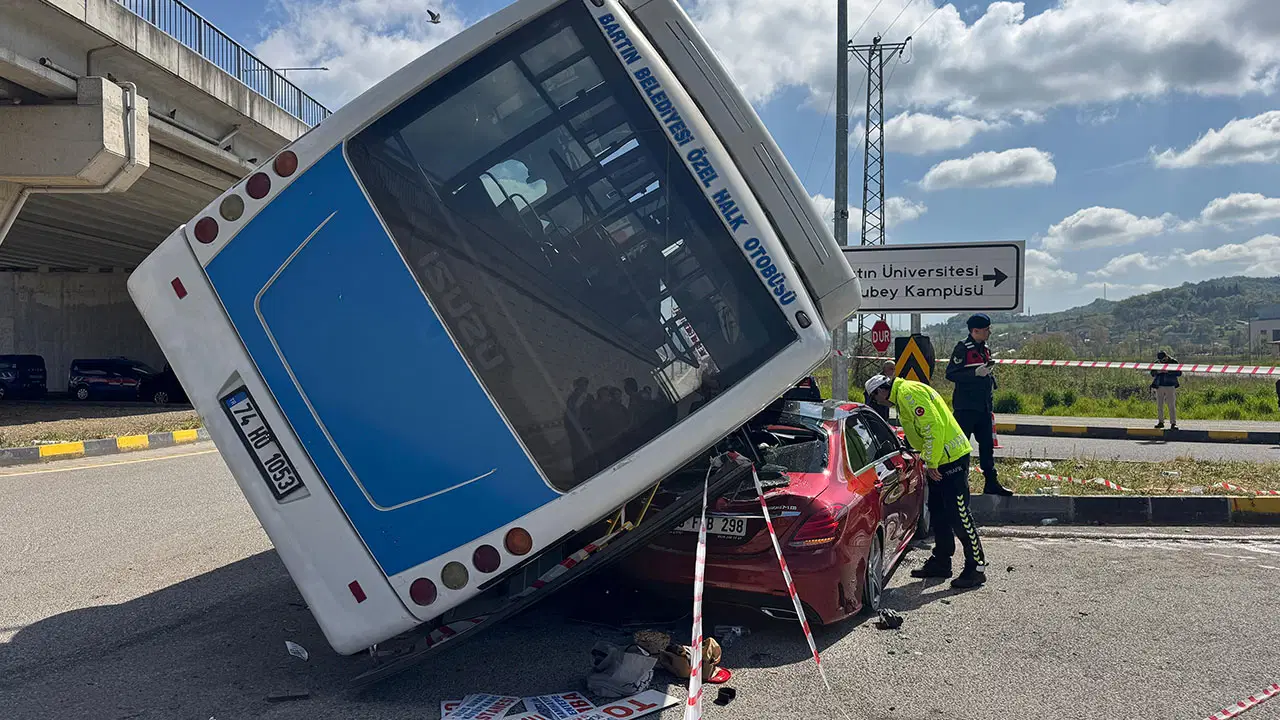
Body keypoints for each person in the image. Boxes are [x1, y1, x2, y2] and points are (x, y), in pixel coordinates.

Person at [865, 374, 988, 589]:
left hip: (950, 458)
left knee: (959, 514)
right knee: (938, 511)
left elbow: (934, 428)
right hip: (941, 458)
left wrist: (931, 462)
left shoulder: (908, 394)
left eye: (875, 399)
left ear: (881, 391)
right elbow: (920, 429)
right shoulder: (904, 394)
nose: (880, 403)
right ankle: (941, 560)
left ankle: (975, 567)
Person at [944, 314, 1013, 496]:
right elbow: (950, 374)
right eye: (986, 329)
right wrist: (974, 374)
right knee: (961, 449)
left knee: (987, 447)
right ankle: (959, 486)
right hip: (966, 407)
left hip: (983, 407)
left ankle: (991, 483)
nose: (989, 332)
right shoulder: (962, 349)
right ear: (975, 331)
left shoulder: (985, 349)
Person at [1151, 351, 1181, 430]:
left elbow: (1179, 373)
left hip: (1170, 385)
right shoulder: (1156, 363)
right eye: (1160, 361)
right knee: (1159, 405)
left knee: (1171, 405)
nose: (1162, 362)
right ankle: (1161, 422)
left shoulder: (1174, 362)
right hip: (1159, 385)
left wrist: (1168, 371)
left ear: (1166, 357)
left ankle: (1173, 423)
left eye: (1163, 360)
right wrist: (1158, 371)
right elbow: (1152, 373)